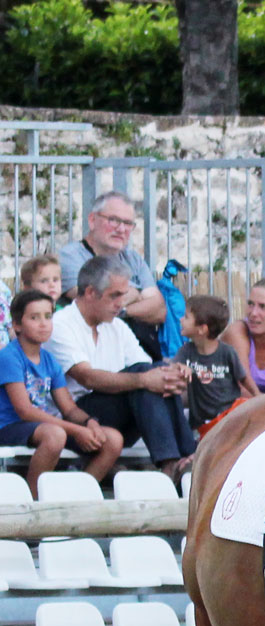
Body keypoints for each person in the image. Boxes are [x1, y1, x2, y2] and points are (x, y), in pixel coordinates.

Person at [47, 255, 194, 478]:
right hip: (74, 417)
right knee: (145, 378)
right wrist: (146, 379)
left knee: (155, 374)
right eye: (114, 296)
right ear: (89, 292)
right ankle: (175, 462)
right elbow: (86, 377)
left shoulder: (117, 326)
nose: (121, 304)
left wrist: (175, 371)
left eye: (123, 296)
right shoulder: (60, 324)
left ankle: (183, 459)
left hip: (115, 415)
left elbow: (146, 367)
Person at [0, 289, 124, 495]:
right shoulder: (9, 357)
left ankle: (78, 496)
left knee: (112, 439)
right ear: (17, 325)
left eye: (48, 316)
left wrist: (89, 423)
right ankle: (33, 501)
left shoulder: (49, 360)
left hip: (39, 427)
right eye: (34, 317)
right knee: (55, 435)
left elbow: (69, 408)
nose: (43, 323)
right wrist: (76, 431)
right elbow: (25, 411)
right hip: (9, 427)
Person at [57, 190, 166, 361]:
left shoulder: (133, 259)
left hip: (141, 349)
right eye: (113, 220)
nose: (121, 229)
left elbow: (159, 309)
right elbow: (92, 300)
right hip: (96, 354)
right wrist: (137, 295)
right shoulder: (70, 257)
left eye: (128, 223)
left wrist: (121, 310)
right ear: (92, 220)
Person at [176, 294, 257, 437]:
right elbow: (173, 367)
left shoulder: (227, 352)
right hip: (202, 422)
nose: (181, 320)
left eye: (186, 317)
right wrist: (180, 368)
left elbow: (243, 378)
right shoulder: (186, 351)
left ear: (202, 329)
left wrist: (258, 396)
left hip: (229, 416)